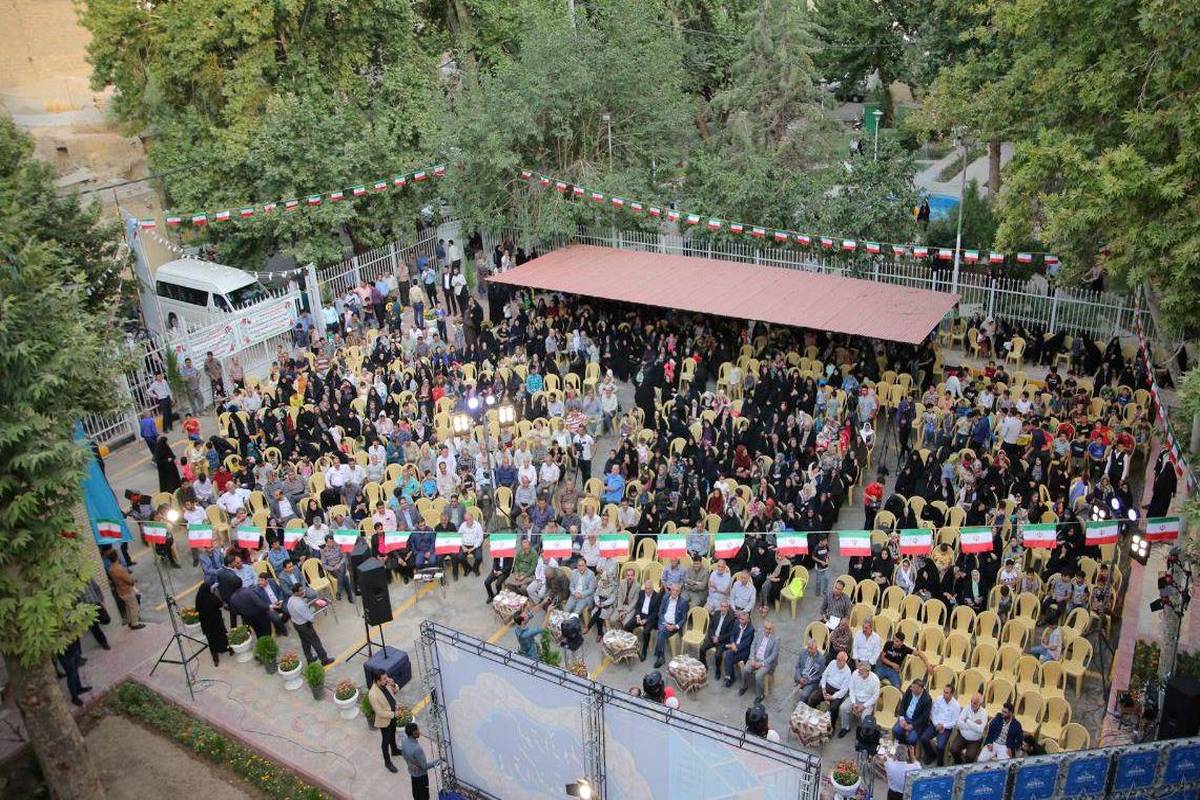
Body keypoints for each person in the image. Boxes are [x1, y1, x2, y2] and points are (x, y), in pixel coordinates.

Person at [287, 583, 334, 665]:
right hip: (305, 626)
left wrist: (306, 605)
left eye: (302, 589)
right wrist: (314, 608)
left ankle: (309, 659)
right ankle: (324, 660)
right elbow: (310, 617)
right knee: (316, 642)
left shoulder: (290, 600)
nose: (303, 591)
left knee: (305, 643)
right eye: (301, 590)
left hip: (297, 624)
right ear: (296, 592)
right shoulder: (299, 605)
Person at [369, 672, 403, 773]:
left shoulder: (386, 684)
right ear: (377, 681)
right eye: (384, 678)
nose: (387, 679)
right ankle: (387, 762)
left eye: (386, 677)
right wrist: (394, 714)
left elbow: (396, 691)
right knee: (385, 741)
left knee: (393, 733)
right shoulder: (373, 694)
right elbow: (379, 712)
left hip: (393, 716)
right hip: (385, 720)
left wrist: (393, 684)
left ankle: (394, 750)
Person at [838, 659, 880, 737]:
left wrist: (863, 706)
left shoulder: (875, 680)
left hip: (867, 702)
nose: (859, 672)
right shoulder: (855, 673)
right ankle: (845, 727)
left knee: (865, 717)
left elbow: (875, 697)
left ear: (868, 671)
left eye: (861, 671)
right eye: (859, 670)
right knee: (843, 708)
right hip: (855, 698)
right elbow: (851, 689)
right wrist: (854, 703)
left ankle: (863, 733)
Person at [739, 620, 779, 701]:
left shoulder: (776, 639)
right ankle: (744, 686)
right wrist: (752, 658)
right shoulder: (759, 632)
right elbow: (753, 645)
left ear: (773, 629)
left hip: (766, 662)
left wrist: (761, 664)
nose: (767, 631)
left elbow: (773, 655)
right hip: (755, 658)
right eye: (766, 628)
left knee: (758, 676)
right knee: (745, 670)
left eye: (770, 629)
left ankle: (760, 694)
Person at [194, 582, 231, 666]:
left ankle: (215, 658)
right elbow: (220, 604)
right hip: (216, 621)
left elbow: (197, 609)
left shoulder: (199, 597)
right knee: (222, 635)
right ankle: (228, 649)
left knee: (211, 640)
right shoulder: (212, 597)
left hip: (206, 624)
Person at [625, 578, 663, 662]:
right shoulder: (641, 593)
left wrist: (646, 620)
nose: (647, 590)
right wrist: (638, 615)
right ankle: (632, 645)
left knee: (646, 632)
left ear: (652, 588)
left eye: (649, 588)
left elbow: (655, 613)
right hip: (641, 615)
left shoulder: (657, 596)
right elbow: (638, 606)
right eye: (646, 588)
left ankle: (644, 650)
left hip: (650, 617)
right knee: (627, 626)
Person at [921, 684, 960, 765]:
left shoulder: (956, 705)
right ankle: (931, 755)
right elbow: (932, 713)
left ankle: (940, 763)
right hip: (935, 724)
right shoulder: (939, 699)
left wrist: (943, 726)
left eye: (947, 693)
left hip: (946, 728)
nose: (944, 694)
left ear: (952, 694)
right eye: (944, 692)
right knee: (924, 738)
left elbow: (955, 721)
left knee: (940, 746)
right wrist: (936, 724)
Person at [105, 548, 144, 629]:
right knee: (134, 607)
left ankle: (130, 621)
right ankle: (135, 623)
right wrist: (133, 581)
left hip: (120, 591)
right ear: (116, 557)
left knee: (128, 607)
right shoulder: (120, 569)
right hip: (127, 590)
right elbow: (128, 580)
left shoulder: (110, 569)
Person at [891, 678, 932, 753]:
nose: (911, 689)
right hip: (906, 717)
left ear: (920, 689)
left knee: (911, 739)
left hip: (917, 722)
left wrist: (912, 725)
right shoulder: (910, 689)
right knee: (896, 730)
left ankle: (910, 751)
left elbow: (924, 717)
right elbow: (903, 703)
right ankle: (902, 745)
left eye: (914, 689)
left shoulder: (927, 699)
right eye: (912, 687)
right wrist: (902, 718)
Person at [809, 650, 852, 721]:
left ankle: (832, 724)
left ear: (845, 661)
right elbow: (824, 675)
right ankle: (810, 716)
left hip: (837, 691)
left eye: (840, 660)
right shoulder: (832, 663)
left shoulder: (848, 672)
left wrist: (832, 697)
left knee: (834, 708)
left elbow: (844, 690)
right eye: (837, 658)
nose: (837, 661)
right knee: (813, 698)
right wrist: (823, 689)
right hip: (827, 686)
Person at [401, 723, 441, 800]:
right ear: (414, 733)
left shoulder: (404, 741)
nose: (419, 731)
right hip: (421, 776)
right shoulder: (417, 749)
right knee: (424, 795)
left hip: (413, 774)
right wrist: (438, 761)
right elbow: (424, 766)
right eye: (418, 730)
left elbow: (403, 754)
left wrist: (409, 764)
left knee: (416, 792)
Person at [653, 584, 689, 668]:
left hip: (673, 625)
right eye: (673, 590)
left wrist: (675, 626)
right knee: (662, 630)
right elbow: (660, 612)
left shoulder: (683, 602)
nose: (674, 592)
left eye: (677, 591)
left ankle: (660, 655)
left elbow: (684, 618)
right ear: (670, 590)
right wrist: (664, 622)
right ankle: (661, 656)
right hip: (663, 622)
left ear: (679, 592)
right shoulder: (665, 598)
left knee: (661, 632)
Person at [946, 692, 987, 764]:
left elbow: (980, 730)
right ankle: (958, 762)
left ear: (980, 704)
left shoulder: (984, 713)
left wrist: (967, 720)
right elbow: (959, 723)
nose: (972, 704)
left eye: (975, 703)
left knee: (970, 757)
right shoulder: (967, 708)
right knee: (953, 750)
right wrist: (974, 723)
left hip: (975, 740)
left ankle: (966, 767)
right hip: (962, 736)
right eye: (971, 701)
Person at [699, 600, 736, 679]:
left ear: (728, 607)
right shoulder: (716, 613)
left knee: (718, 655)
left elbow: (729, 633)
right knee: (702, 649)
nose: (723, 608)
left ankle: (718, 669)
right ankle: (704, 664)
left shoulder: (731, 618)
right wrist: (713, 636)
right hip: (712, 638)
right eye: (722, 606)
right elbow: (710, 627)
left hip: (722, 640)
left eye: (725, 607)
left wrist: (718, 638)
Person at [721, 611, 756, 688]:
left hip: (744, 652)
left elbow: (745, 644)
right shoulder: (736, 623)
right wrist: (733, 643)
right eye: (740, 619)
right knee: (728, 655)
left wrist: (734, 647)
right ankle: (730, 677)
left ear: (748, 620)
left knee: (727, 656)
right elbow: (732, 635)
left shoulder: (751, 630)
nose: (740, 621)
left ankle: (729, 677)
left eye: (743, 619)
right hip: (734, 647)